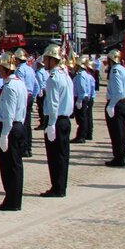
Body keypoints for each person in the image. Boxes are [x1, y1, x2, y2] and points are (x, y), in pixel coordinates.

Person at [0, 53, 27, 211]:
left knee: (9, 166)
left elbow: (9, 112)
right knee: (15, 165)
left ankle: (12, 199)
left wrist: (5, 134)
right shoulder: (19, 83)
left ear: (6, 69)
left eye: (0, 67)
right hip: (19, 125)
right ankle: (14, 198)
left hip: (10, 127)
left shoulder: (10, 86)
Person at [40, 45, 73, 198]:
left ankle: (57, 187)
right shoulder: (65, 75)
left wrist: (51, 123)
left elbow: (53, 103)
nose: (44, 62)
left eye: (46, 59)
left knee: (55, 156)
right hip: (65, 119)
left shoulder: (53, 78)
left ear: (53, 60)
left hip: (56, 120)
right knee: (62, 155)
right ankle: (61, 186)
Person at [104, 49, 125, 167]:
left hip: (117, 104)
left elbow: (118, 91)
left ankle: (118, 158)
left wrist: (111, 105)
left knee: (117, 133)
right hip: (124, 103)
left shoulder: (115, 71)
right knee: (122, 132)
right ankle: (120, 155)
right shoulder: (124, 70)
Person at [13, 49, 37, 158]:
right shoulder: (30, 69)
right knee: (28, 123)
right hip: (30, 96)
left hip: (24, 97)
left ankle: (23, 148)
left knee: (21, 122)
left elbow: (20, 85)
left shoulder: (19, 70)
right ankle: (28, 147)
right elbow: (36, 84)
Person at [72, 57, 96, 143]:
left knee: (81, 119)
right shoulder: (86, 75)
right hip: (85, 98)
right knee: (84, 117)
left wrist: (79, 100)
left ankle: (81, 136)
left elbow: (82, 88)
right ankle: (84, 135)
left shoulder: (81, 75)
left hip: (80, 97)